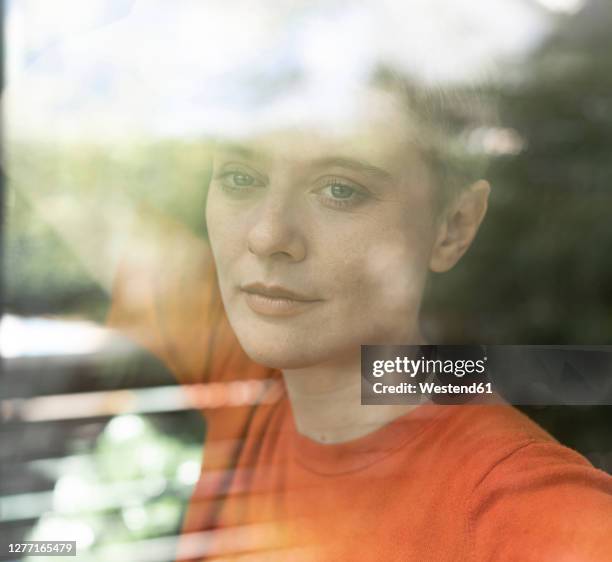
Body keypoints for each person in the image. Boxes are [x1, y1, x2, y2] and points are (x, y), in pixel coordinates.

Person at [106, 69, 612, 561]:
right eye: (240, 177)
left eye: (341, 190)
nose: (267, 235)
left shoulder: (520, 511)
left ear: (453, 227)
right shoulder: (249, 382)